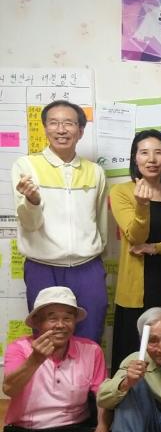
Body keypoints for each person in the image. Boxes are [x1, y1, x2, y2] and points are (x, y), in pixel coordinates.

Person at [12, 100, 108, 343]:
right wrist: (33, 201)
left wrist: (96, 255)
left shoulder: (95, 171)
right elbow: (28, 224)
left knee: (90, 336)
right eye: (54, 123)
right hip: (42, 267)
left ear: (81, 131)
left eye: (69, 123)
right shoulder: (26, 166)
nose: (61, 129)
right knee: (48, 340)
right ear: (45, 128)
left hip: (87, 267)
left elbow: (100, 221)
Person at [0, 287, 113, 432]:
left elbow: (103, 398)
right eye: (52, 318)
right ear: (37, 322)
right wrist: (35, 360)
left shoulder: (91, 350)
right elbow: (9, 389)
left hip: (73, 431)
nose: (60, 325)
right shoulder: (19, 348)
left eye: (67, 318)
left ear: (75, 322)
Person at [109, 129, 161, 374]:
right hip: (137, 286)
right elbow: (135, 236)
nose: (152, 159)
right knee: (136, 351)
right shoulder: (121, 192)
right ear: (135, 159)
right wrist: (142, 205)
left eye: (159, 152)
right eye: (144, 153)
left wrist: (157, 248)